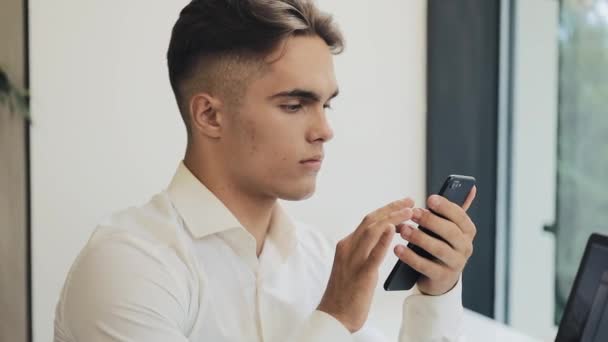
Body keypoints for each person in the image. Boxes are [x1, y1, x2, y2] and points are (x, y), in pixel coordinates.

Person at [54, 0, 477, 341]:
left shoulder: (316, 260)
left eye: (325, 104)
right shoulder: (128, 266)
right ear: (209, 116)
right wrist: (334, 318)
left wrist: (437, 292)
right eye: (294, 105)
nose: (325, 130)